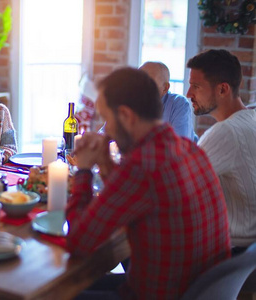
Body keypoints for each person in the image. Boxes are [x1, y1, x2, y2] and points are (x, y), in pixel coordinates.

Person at [67, 67, 231, 299]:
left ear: (125, 115)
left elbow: (78, 242)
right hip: (195, 289)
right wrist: (104, 162)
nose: (107, 129)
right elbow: (129, 196)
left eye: (107, 118)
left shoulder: (141, 166)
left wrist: (83, 170)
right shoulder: (189, 149)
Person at [187, 49, 256, 254]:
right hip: (246, 258)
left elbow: (178, 185)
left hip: (228, 257)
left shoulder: (226, 132)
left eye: (196, 86)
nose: (189, 94)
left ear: (223, 90)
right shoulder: (251, 118)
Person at [139, 61, 197, 141]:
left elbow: (179, 146)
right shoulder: (131, 103)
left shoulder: (178, 104)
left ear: (165, 88)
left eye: (148, 81)